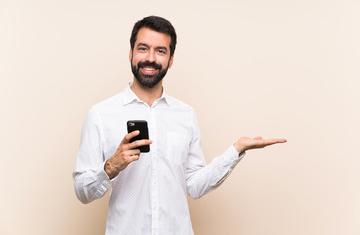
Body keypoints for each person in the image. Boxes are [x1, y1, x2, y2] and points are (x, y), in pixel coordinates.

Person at [73, 15, 286, 235]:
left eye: (161, 51)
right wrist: (110, 167)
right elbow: (82, 191)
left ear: (171, 59)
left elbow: (194, 186)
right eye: (143, 48)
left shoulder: (185, 115)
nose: (151, 58)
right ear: (131, 53)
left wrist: (236, 150)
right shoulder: (101, 114)